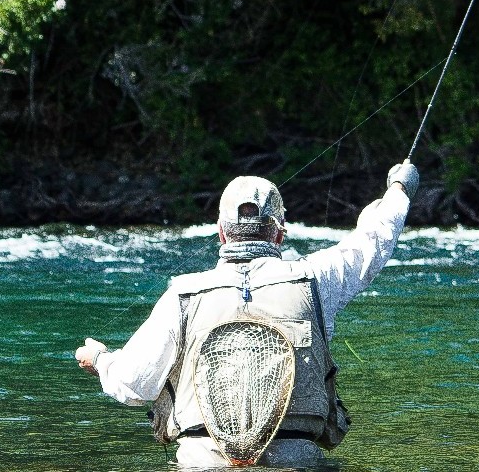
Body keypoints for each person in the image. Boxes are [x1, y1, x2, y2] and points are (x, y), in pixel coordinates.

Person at [75, 162, 418, 467]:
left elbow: (135, 385)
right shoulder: (316, 280)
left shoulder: (183, 293)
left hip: (202, 462)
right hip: (296, 460)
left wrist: (101, 360)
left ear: (221, 233)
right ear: (279, 233)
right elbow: (371, 242)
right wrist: (399, 189)